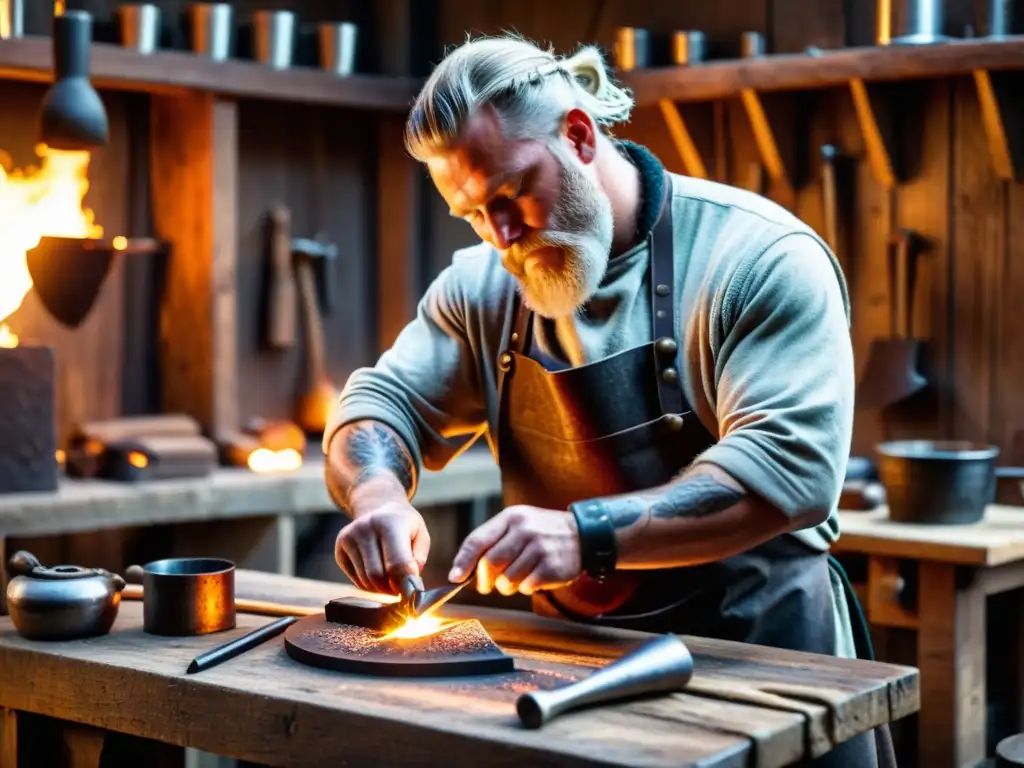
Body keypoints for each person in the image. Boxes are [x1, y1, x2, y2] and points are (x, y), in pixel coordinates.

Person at [324, 35, 882, 766]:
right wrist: (377, 499)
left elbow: (790, 477)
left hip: (760, 670)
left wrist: (584, 536)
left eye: (511, 193)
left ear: (579, 136)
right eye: (471, 215)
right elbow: (382, 403)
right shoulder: (483, 288)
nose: (501, 234)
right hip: (574, 673)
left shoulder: (758, 261)